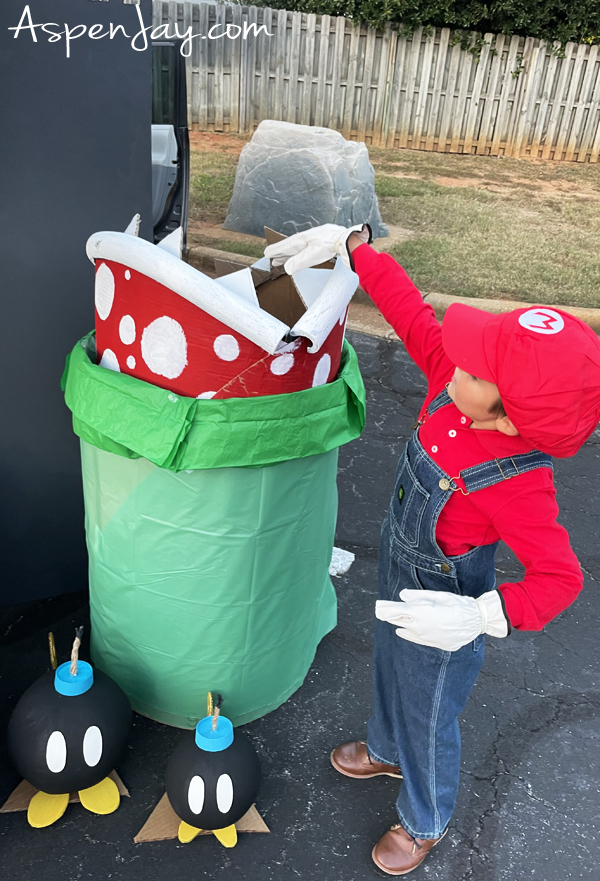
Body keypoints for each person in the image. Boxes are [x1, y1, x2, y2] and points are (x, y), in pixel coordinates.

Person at [265, 224, 600, 875]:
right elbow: (412, 312)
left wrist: (480, 614)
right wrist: (357, 248)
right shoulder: (454, 378)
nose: (457, 355)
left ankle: (424, 819)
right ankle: (385, 748)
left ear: (510, 416)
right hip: (402, 561)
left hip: (450, 601)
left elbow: (561, 578)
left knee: (428, 711)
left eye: (479, 365)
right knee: (389, 665)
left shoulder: (520, 481)